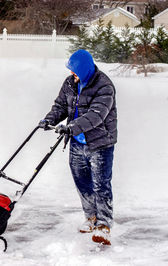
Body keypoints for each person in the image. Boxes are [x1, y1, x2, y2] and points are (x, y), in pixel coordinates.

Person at [39, 49, 117, 245]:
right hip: (76, 142)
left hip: (100, 143)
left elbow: (97, 115)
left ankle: (104, 225)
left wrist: (72, 127)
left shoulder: (104, 86)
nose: (72, 75)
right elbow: (61, 106)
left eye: (76, 72)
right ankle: (91, 217)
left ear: (85, 70)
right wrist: (49, 119)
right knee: (82, 182)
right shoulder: (69, 83)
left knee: (101, 185)